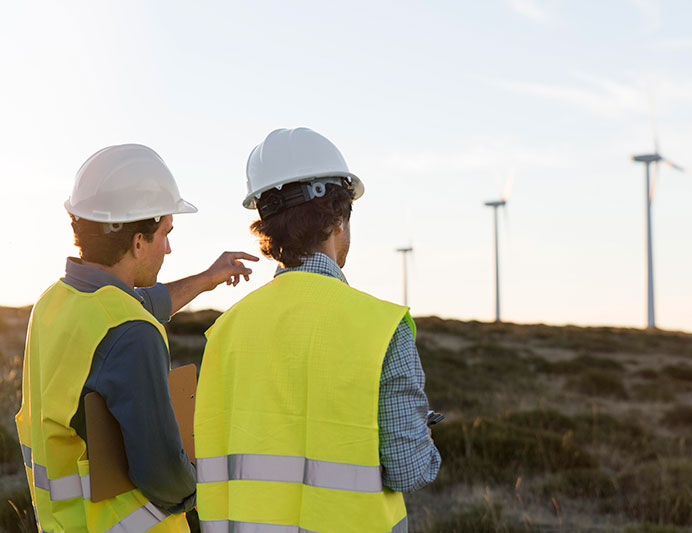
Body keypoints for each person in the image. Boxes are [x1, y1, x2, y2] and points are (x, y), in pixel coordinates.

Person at [194, 128, 441, 532]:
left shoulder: (225, 332)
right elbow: (409, 471)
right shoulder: (381, 329)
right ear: (338, 218)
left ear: (267, 228)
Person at [15, 144, 258, 532]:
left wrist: (206, 279)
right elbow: (163, 475)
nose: (169, 247)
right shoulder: (133, 334)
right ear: (139, 241)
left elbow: (143, 302)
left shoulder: (55, 302)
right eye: (165, 233)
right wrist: (202, 485)